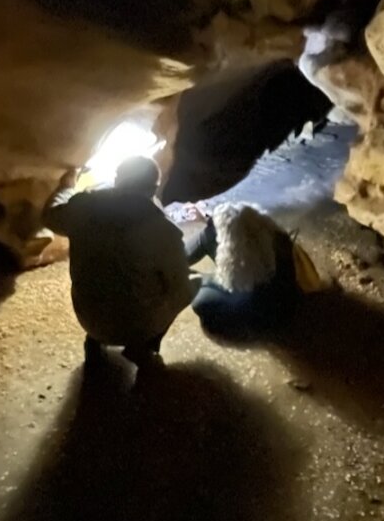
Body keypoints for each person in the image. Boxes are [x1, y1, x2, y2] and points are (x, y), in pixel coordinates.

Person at [43, 157, 195, 367]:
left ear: (116, 180)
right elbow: (182, 291)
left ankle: (95, 342)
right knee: (194, 281)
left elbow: (49, 216)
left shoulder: (83, 209)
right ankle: (144, 346)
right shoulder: (164, 230)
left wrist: (66, 187)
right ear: (153, 188)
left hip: (88, 319)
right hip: (137, 327)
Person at [184, 202, 322, 339]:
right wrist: (206, 220)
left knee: (198, 291)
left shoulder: (246, 272)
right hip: (279, 306)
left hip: (256, 315)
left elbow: (237, 281)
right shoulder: (279, 241)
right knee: (212, 233)